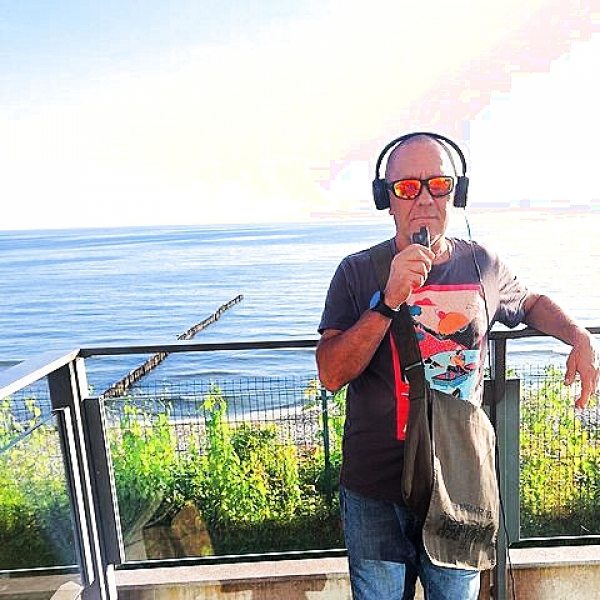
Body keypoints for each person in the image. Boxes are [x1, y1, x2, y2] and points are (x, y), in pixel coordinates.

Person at [316, 133, 599, 600]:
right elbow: (331, 373)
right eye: (408, 187)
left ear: (457, 192)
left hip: (459, 483)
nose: (425, 198)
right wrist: (388, 301)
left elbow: (529, 302)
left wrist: (578, 335)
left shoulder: (482, 263)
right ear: (386, 199)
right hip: (376, 487)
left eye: (439, 184)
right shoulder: (358, 271)